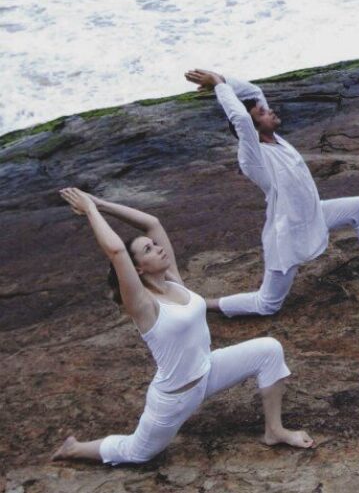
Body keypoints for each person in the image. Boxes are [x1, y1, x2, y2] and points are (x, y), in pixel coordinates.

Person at [52, 188, 313, 465]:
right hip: (176, 398)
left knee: (269, 350)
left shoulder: (173, 280)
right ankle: (74, 448)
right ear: (137, 269)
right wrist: (90, 211)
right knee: (138, 453)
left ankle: (274, 430)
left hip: (208, 371)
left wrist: (100, 203)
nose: (158, 247)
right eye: (148, 250)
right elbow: (116, 251)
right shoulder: (143, 305)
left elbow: (152, 223)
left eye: (154, 245)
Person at [183, 69, 359, 317]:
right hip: (288, 233)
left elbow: (254, 93)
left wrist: (223, 80)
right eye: (263, 112)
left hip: (313, 214)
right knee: (267, 304)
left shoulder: (273, 137)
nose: (270, 111)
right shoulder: (253, 156)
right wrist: (218, 86)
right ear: (254, 128)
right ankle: (205, 305)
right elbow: (243, 121)